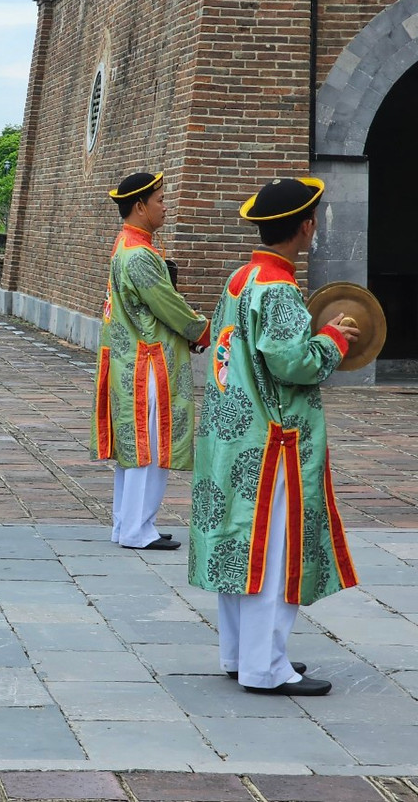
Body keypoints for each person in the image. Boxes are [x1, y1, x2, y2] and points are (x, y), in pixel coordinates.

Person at [190, 176, 359, 696]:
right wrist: (333, 339)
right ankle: (266, 668)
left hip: (231, 434)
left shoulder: (242, 277)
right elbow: (295, 363)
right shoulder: (280, 289)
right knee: (273, 549)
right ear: (306, 227)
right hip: (273, 444)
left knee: (238, 545)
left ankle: (240, 654)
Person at [91, 172, 210, 551]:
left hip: (131, 358)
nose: (164, 206)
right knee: (148, 447)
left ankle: (127, 524)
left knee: (134, 450)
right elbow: (168, 306)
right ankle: (138, 530)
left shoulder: (124, 245)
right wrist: (201, 330)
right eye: (159, 199)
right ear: (140, 206)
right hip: (148, 364)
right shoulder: (140, 255)